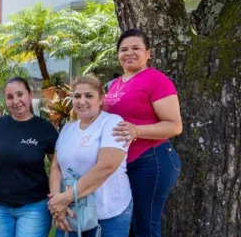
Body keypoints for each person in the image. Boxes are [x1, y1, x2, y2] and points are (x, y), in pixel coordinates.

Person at [103, 29, 183, 237]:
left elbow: (175, 126)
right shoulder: (116, 83)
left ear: (148, 53)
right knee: (126, 222)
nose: (129, 53)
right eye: (124, 49)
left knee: (145, 226)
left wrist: (136, 130)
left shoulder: (155, 80)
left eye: (136, 48)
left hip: (152, 160)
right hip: (123, 162)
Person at [48, 75, 133, 237]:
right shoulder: (67, 128)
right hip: (71, 211)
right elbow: (56, 166)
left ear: (101, 99)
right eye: (77, 96)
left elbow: (105, 167)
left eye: (89, 96)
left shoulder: (112, 123)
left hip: (107, 213)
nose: (81, 101)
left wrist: (65, 199)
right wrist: (56, 201)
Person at [0, 77, 59, 237]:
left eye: (20, 94)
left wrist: (58, 197)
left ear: (30, 94)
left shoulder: (44, 128)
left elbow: (57, 166)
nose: (16, 101)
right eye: (10, 97)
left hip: (34, 207)